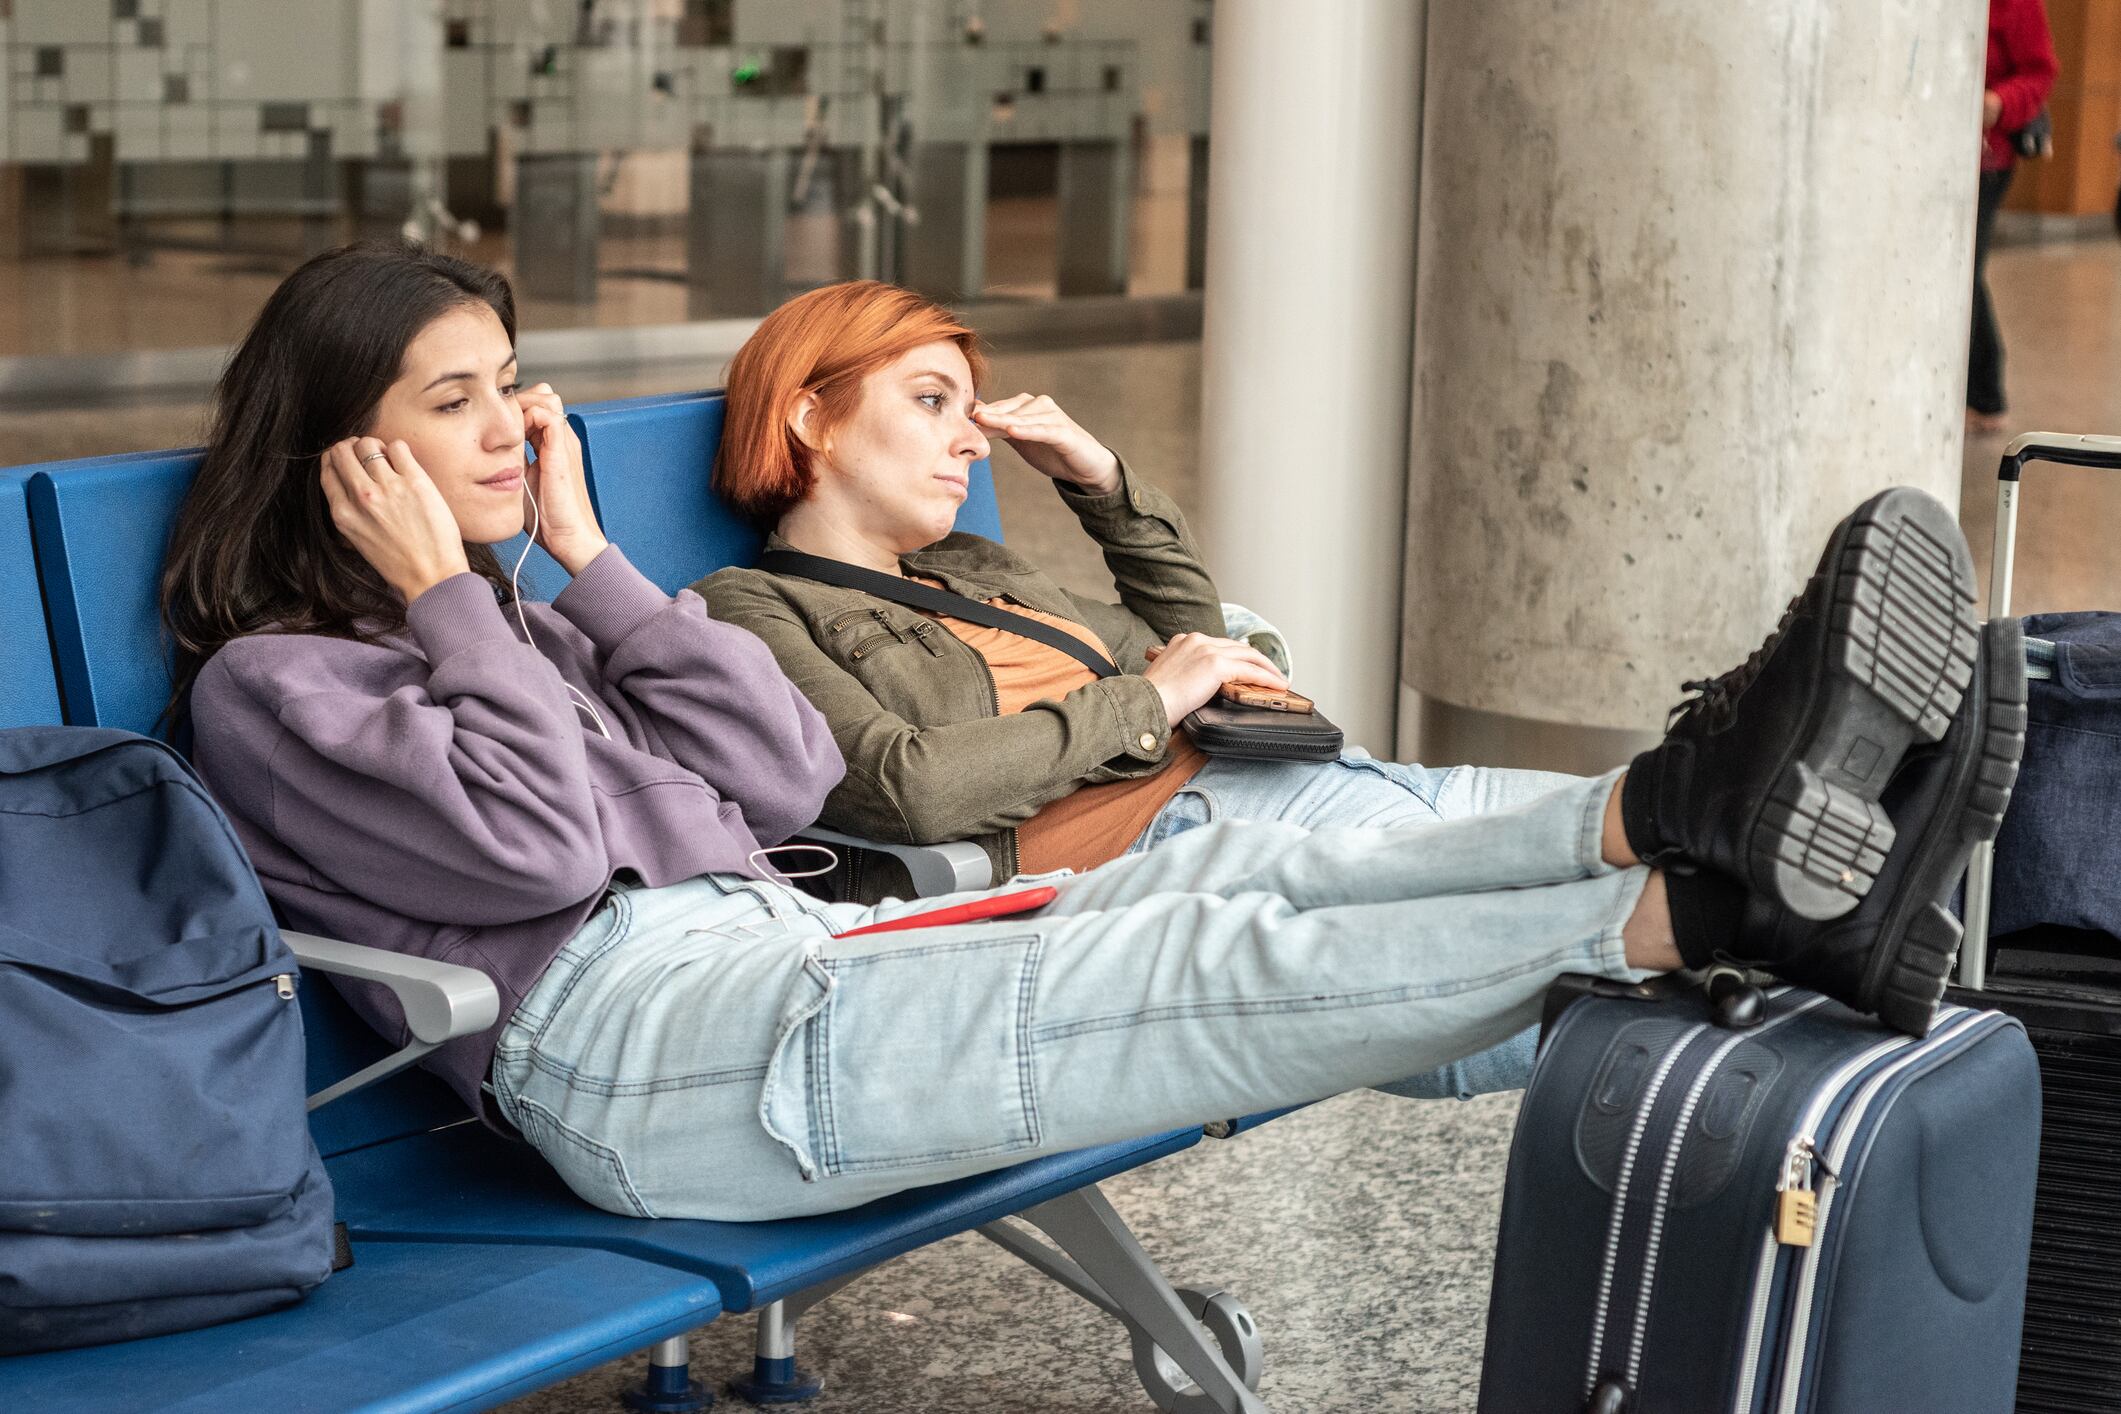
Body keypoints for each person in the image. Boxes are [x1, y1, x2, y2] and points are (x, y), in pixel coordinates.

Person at [165, 241, 2004, 1226]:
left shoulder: (527, 611)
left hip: (795, 947)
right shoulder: (281, 685)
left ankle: (1691, 827)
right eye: (455, 402)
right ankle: (1723, 883)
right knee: (1219, 955)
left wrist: (576, 554)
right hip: (638, 1048)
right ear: (345, 441)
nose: (507, 431)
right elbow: (552, 859)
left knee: (1276, 909)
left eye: (516, 389)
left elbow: (778, 774)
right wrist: (448, 600)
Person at [1969, 0, 2058, 434]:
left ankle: (1986, 397)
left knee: (1963, 271)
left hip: (1987, 159)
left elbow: (2041, 73)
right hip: (1924, 154)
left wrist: (1999, 103)